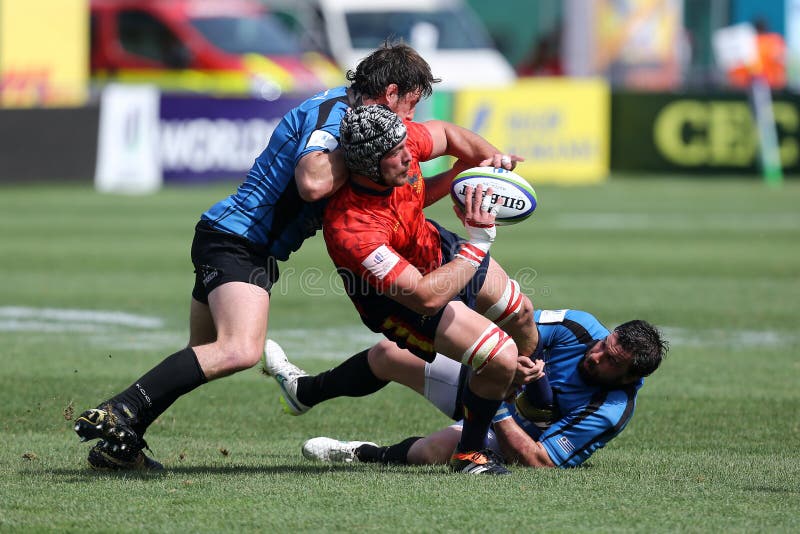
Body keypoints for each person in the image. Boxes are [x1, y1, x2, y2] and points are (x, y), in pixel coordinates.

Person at [72, 42, 442, 471]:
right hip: (239, 241)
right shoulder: (338, 116)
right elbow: (313, 183)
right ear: (392, 92)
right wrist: (363, 149)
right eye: (411, 105)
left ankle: (120, 446)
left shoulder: (348, 115)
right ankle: (120, 410)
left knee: (205, 351)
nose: (409, 120)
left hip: (232, 238)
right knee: (239, 349)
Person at [266, 104, 541, 475]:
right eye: (397, 155)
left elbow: (445, 134)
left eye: (405, 146)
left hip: (433, 246)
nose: (410, 157)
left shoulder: (395, 142)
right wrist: (479, 241)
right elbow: (426, 297)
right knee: (500, 357)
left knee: (521, 314)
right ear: (366, 167)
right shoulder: (353, 228)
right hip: (401, 299)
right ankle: (470, 455)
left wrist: (486, 160)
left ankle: (510, 399)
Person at [288, 309, 668, 469]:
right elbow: (512, 332)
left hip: (509, 429)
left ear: (628, 378)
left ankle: (364, 452)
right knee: (389, 352)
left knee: (430, 452)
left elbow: (539, 461)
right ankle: (306, 391)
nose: (597, 355)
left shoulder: (610, 408)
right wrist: (514, 364)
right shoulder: (579, 327)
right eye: (606, 344)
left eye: (612, 362)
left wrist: (496, 404)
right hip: (490, 376)